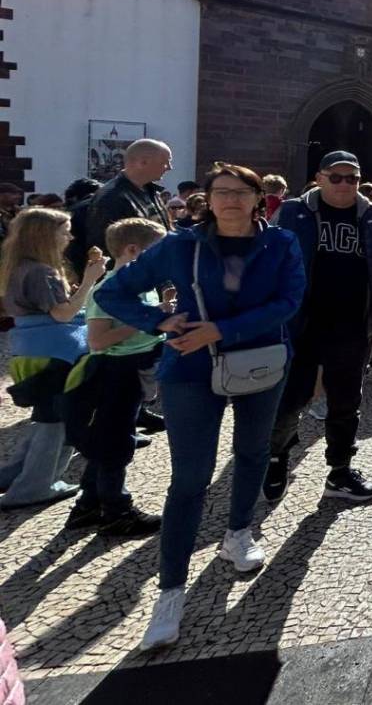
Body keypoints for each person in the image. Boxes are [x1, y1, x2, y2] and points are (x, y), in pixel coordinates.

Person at [94, 162, 306, 650]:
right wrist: (158, 322)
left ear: (259, 199)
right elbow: (111, 291)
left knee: (253, 453)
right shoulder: (178, 244)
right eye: (222, 192)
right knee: (190, 479)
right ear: (207, 200)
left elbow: (288, 301)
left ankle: (238, 533)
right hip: (192, 370)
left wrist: (222, 329)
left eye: (241, 192)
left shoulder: (281, 243)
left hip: (259, 363)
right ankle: (170, 593)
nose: (231, 200)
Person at [266, 150, 372, 503]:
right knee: (291, 399)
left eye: (351, 178)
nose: (344, 184)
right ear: (319, 177)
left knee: (346, 402)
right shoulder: (294, 211)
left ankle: (339, 471)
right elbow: (272, 260)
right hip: (301, 324)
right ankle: (276, 459)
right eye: (335, 177)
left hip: (352, 325)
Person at [65, 218, 170, 537]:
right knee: (115, 443)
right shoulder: (108, 290)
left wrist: (162, 311)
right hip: (115, 371)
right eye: (158, 251)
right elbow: (97, 340)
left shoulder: (142, 285)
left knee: (109, 438)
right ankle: (116, 511)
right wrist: (150, 321)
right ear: (133, 250)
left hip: (134, 368)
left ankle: (88, 504)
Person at [0, 208, 106, 508]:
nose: (70, 237)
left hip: (32, 347)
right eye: (64, 231)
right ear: (44, 235)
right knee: (56, 420)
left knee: (44, 415)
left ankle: (15, 474)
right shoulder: (42, 271)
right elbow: (62, 314)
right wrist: (89, 280)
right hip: (57, 349)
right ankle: (35, 486)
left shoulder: (18, 265)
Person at [85, 139, 172, 254]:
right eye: (165, 163)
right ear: (143, 163)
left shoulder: (151, 192)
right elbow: (105, 246)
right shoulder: (111, 198)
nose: (169, 167)